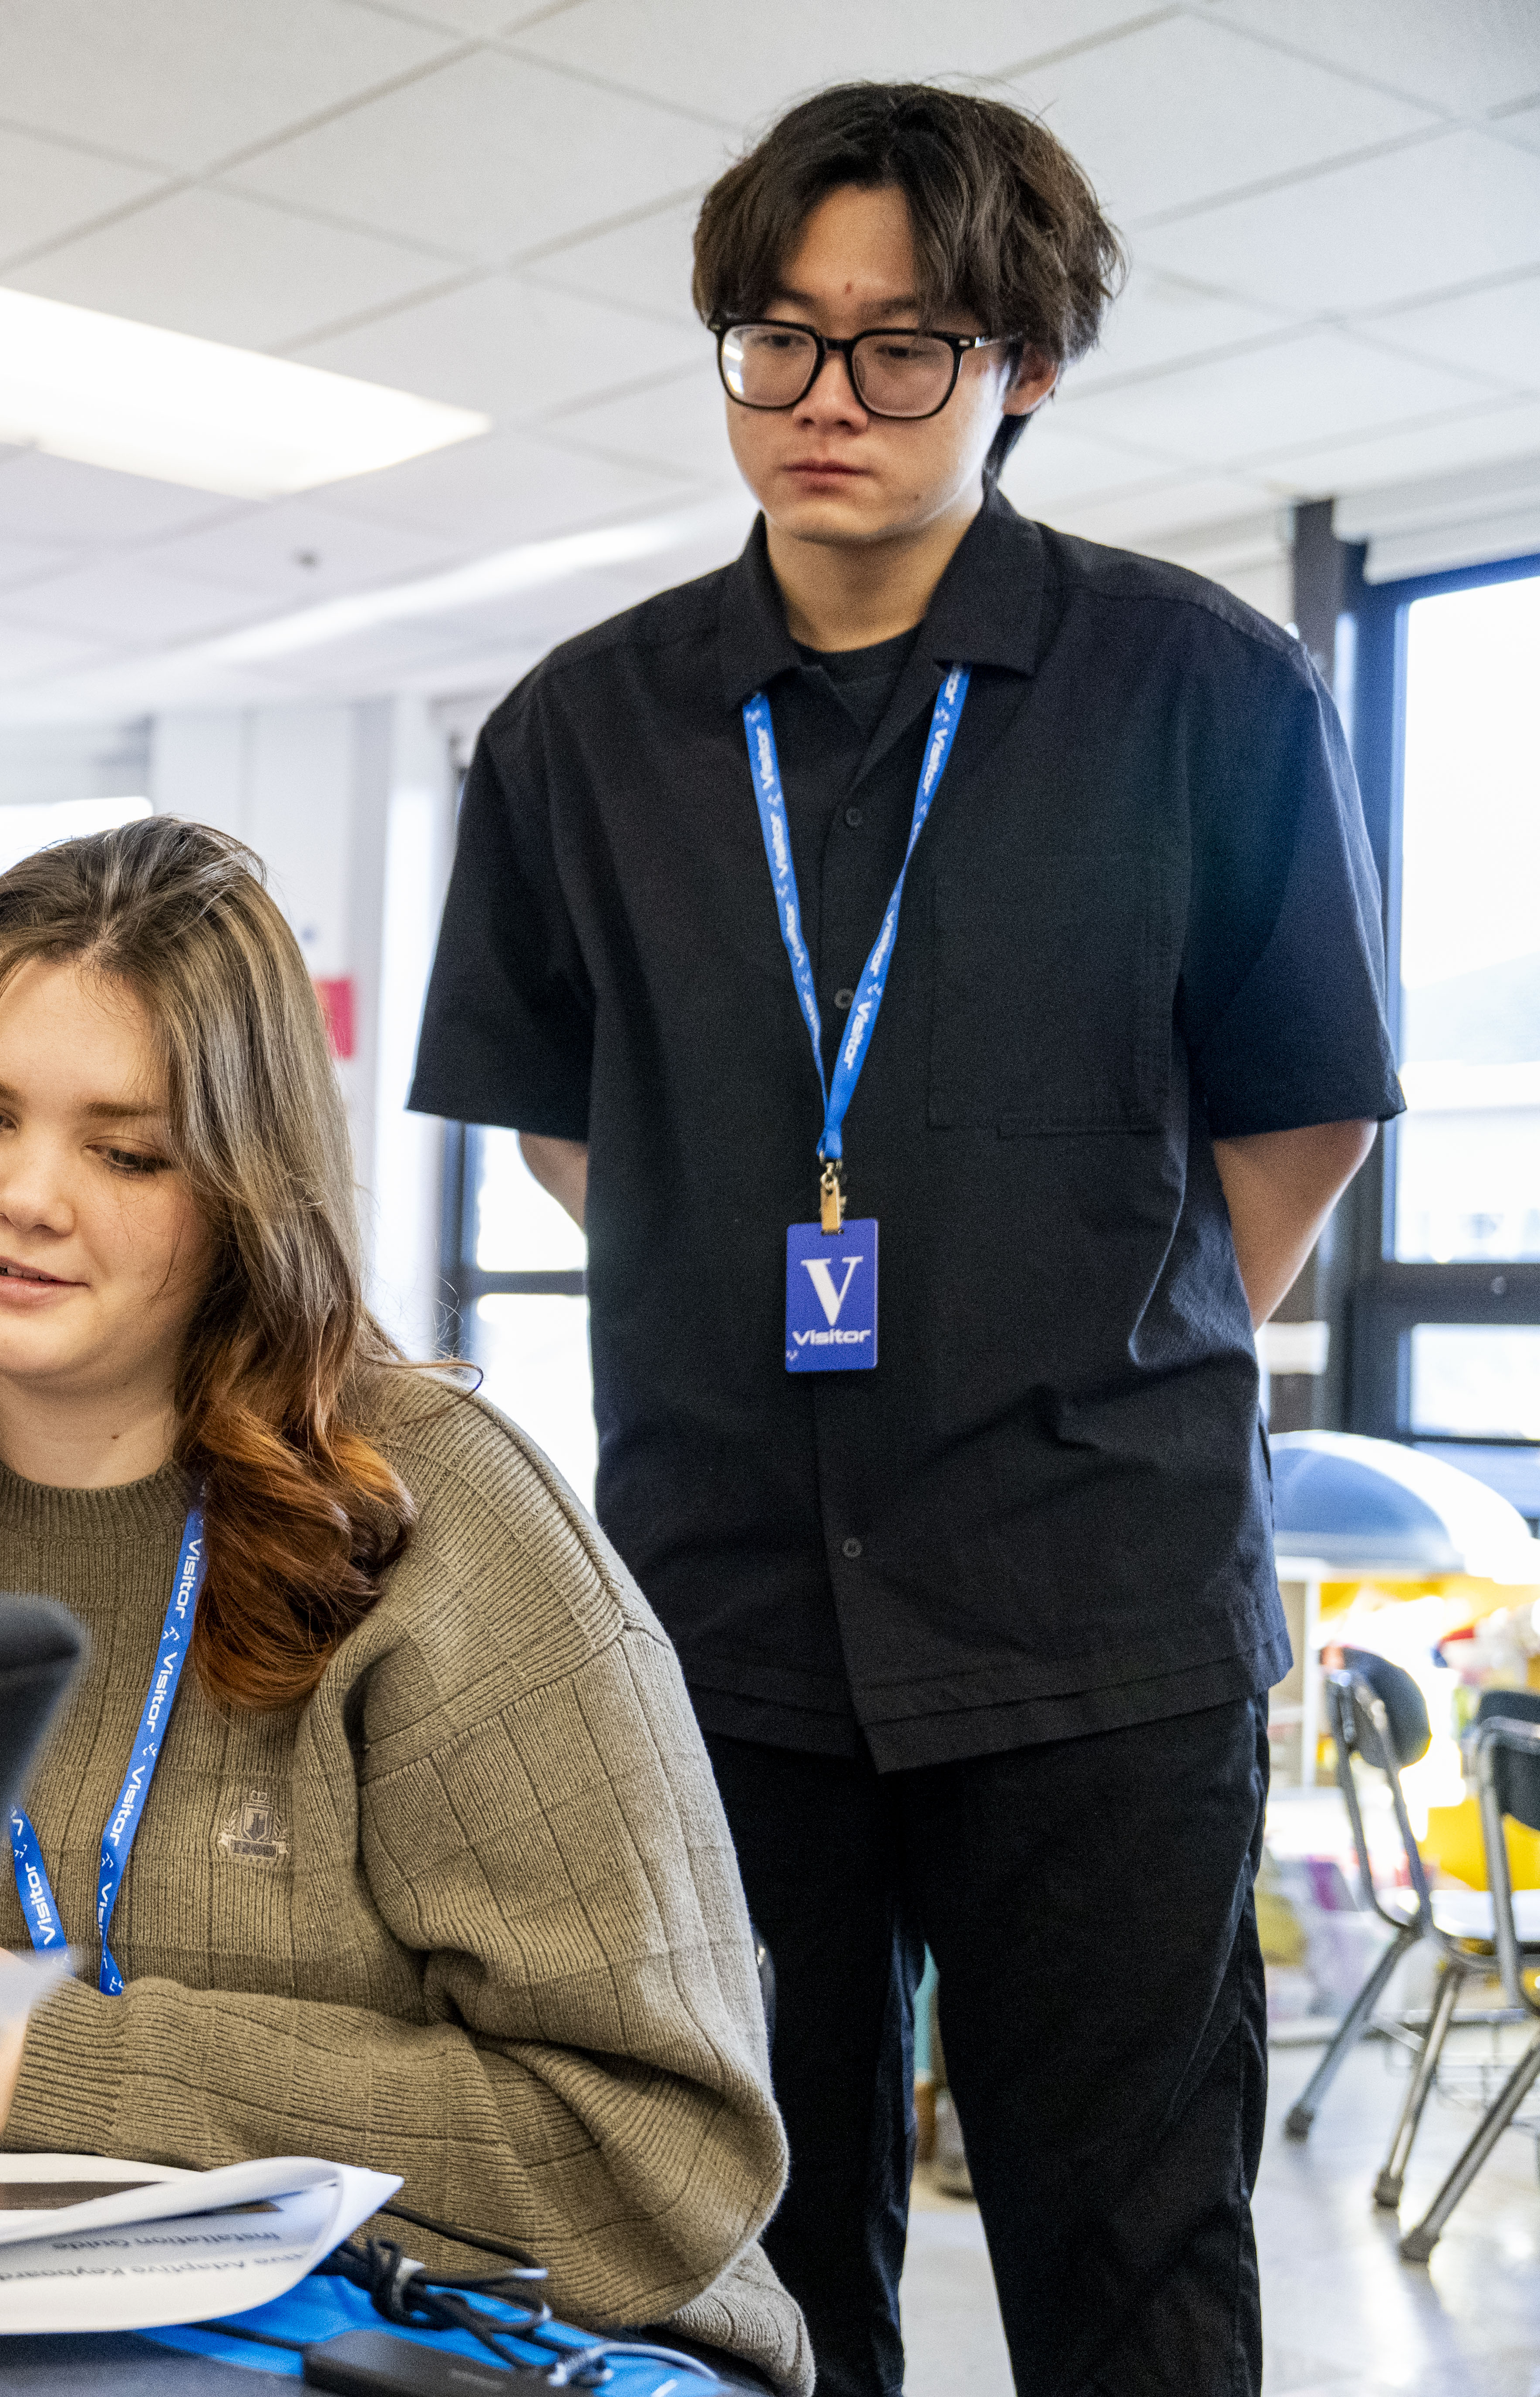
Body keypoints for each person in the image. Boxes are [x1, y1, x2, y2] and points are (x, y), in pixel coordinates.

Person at [407, 84, 1401, 2397]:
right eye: (780, 340)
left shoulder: (1202, 694)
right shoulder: (579, 738)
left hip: (1101, 1627)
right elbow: (570, 1134)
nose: (826, 405)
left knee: (1131, 2255)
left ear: (1023, 369)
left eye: (903, 349)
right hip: (727, 1618)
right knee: (750, 2250)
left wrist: (1081, 1350)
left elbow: (1300, 1117)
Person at [0, 819, 810, 2390]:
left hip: (458, 2344)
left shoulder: (447, 1522)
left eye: (124, 1151)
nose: (23, 1197)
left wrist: (28, 2056)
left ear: (245, 1191)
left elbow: (652, 2162)